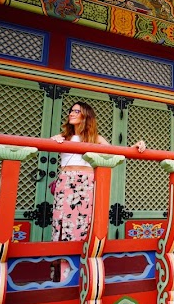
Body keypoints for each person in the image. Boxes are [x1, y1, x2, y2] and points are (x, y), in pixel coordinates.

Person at [49, 100, 146, 242]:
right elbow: (47, 145)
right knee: (62, 218)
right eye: (71, 111)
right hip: (66, 180)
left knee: (83, 219)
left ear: (86, 116)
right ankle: (62, 260)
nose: (71, 114)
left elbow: (116, 153)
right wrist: (53, 139)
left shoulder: (96, 139)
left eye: (76, 111)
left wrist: (136, 146)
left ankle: (82, 256)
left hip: (86, 182)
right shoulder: (64, 137)